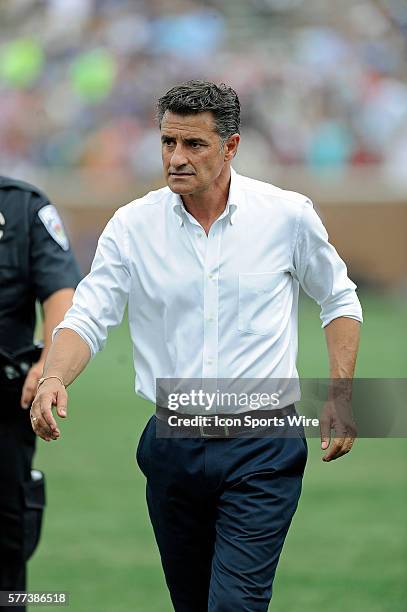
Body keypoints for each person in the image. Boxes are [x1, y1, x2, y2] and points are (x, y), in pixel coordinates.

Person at [30, 81, 362, 612]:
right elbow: (88, 317)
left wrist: (342, 396)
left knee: (234, 605)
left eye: (194, 145)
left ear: (230, 147)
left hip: (263, 441)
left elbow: (340, 301)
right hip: (172, 442)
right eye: (167, 143)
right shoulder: (132, 225)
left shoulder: (287, 215)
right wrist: (52, 377)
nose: (176, 158)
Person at [0, 176, 80, 609]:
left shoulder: (22, 207)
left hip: (4, 409)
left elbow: (60, 291)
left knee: (7, 540)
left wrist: (50, 362)